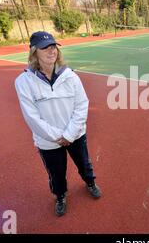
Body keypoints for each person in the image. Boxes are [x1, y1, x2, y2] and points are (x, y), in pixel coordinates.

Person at [15, 31, 101, 217]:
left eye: (53, 46)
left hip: (76, 135)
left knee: (85, 165)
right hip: (48, 141)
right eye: (45, 47)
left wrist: (69, 135)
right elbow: (32, 117)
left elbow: (82, 105)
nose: (51, 51)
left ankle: (90, 183)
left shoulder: (70, 76)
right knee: (56, 173)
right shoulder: (23, 82)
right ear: (34, 52)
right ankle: (60, 196)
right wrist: (57, 137)